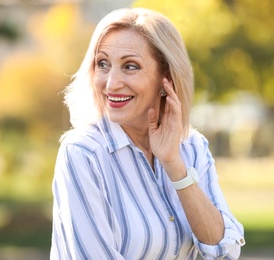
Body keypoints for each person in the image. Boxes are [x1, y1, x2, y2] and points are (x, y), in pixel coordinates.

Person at [50, 7, 245, 260]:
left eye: (130, 66)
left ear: (166, 78)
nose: (111, 83)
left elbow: (223, 251)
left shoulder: (192, 147)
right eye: (103, 64)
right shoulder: (83, 153)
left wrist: (174, 165)